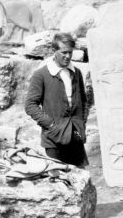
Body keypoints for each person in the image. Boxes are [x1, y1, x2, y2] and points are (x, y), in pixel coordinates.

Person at [25, 33, 89, 168]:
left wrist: (81, 123)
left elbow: (83, 101)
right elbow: (30, 105)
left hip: (75, 136)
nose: (67, 56)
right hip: (54, 139)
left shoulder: (76, 73)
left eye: (70, 52)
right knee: (58, 180)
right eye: (63, 52)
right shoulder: (41, 74)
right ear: (54, 51)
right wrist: (51, 125)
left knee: (80, 176)